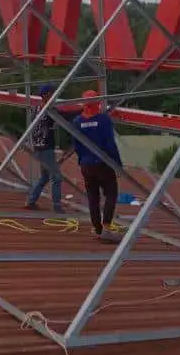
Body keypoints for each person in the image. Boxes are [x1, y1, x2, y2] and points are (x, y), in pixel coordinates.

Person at [72, 89, 122, 240]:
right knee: (111, 193)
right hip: (103, 163)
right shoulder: (103, 120)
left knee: (93, 197)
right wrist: (117, 163)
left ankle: (97, 228)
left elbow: (77, 145)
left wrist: (82, 160)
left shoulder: (77, 122)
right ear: (98, 102)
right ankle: (106, 227)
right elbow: (110, 144)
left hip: (86, 165)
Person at [26, 84, 63, 213]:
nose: (54, 95)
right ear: (47, 94)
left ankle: (31, 201)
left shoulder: (36, 108)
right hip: (46, 147)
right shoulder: (48, 110)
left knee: (45, 177)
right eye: (52, 93)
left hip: (38, 147)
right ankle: (57, 205)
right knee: (56, 177)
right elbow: (63, 116)